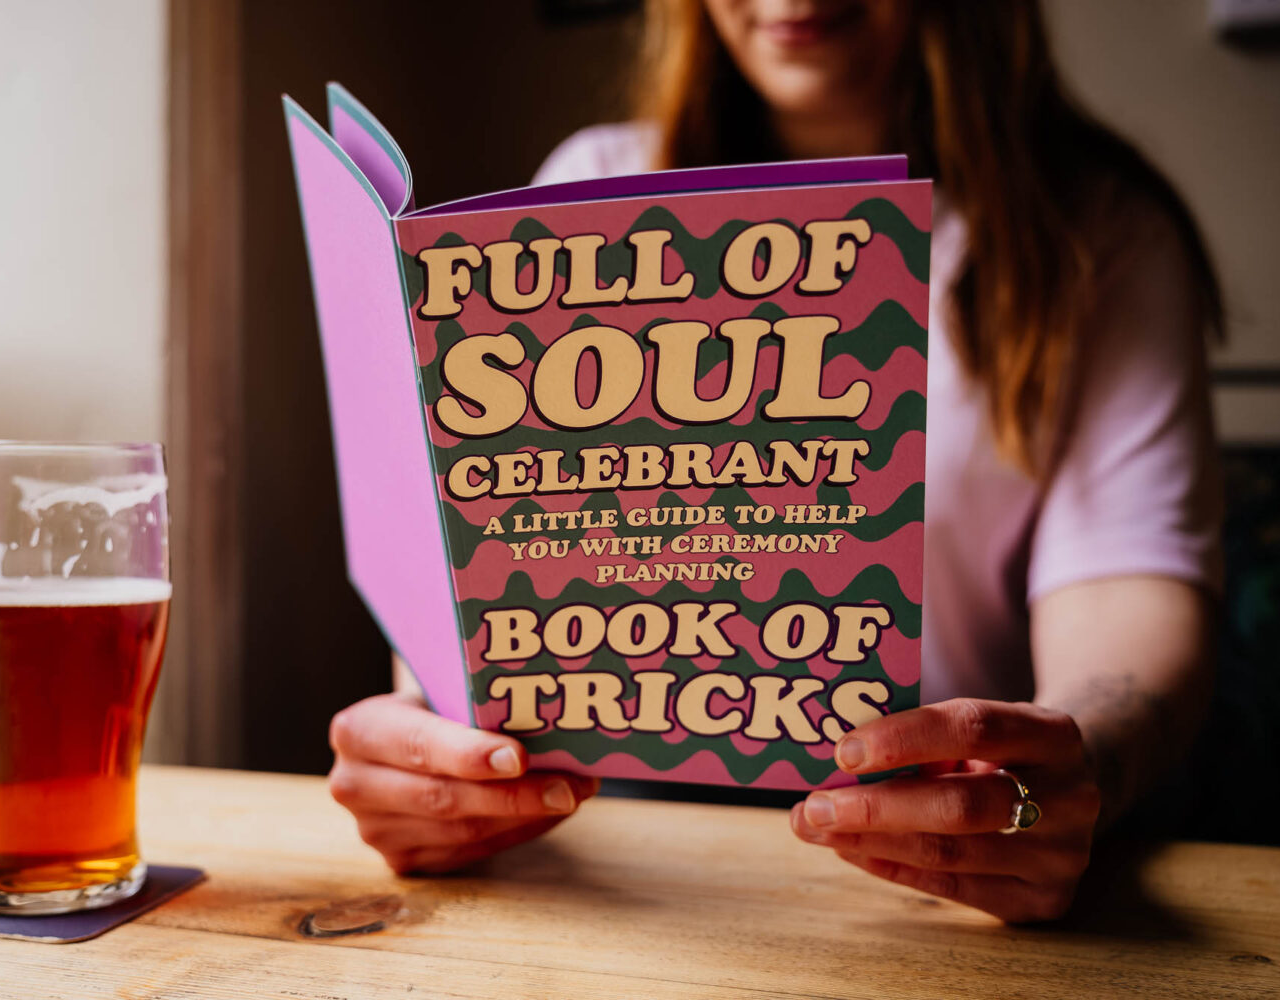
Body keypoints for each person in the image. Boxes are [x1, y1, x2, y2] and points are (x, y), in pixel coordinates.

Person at [325, 0, 1222, 923]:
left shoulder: (1095, 232)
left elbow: (1128, 586)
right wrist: (432, 750)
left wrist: (1064, 777)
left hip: (938, 872)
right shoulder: (597, 181)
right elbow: (495, 543)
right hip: (616, 868)